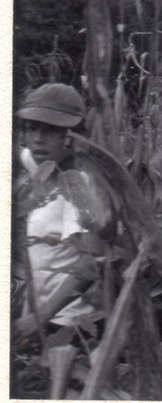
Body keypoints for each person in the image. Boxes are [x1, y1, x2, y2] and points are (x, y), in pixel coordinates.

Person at [11, 83, 112, 340]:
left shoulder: (78, 185)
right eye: (32, 128)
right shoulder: (44, 166)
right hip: (43, 318)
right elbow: (18, 153)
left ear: (73, 135)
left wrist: (40, 316)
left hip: (72, 326)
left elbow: (93, 261)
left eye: (51, 130)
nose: (38, 139)